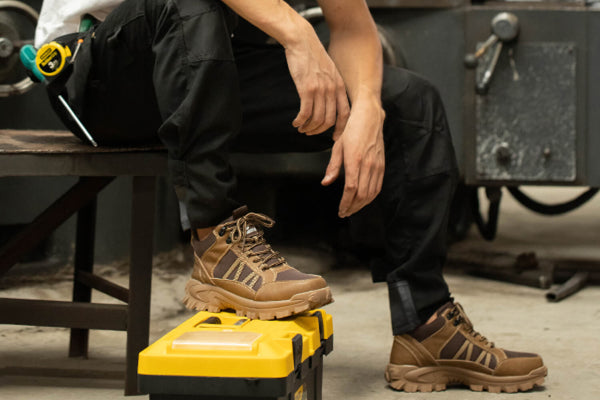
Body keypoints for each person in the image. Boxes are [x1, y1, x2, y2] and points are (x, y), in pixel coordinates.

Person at [34, 0, 547, 393]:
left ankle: (426, 326)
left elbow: (350, 26)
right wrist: (299, 34)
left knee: (409, 103)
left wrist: (367, 107)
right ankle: (217, 242)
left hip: (210, 58)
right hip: (98, 74)